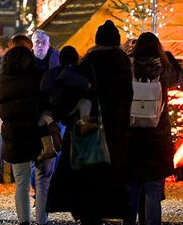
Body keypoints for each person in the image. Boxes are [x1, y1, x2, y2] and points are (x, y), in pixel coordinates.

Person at [47, 20, 133, 225]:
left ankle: (89, 216)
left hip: (90, 128)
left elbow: (71, 90)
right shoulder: (123, 62)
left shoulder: (90, 61)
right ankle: (110, 211)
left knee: (88, 179)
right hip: (117, 130)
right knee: (112, 175)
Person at [125, 32, 183, 225]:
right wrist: (166, 55)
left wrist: (125, 53)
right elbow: (180, 76)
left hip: (132, 137)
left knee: (131, 190)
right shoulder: (164, 68)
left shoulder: (129, 66)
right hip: (157, 138)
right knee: (152, 190)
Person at [0, 39, 49, 225]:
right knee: (42, 181)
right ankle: (42, 220)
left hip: (14, 133)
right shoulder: (38, 77)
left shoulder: (2, 79)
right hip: (38, 132)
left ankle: (23, 220)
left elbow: (2, 108)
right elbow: (47, 102)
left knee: (21, 181)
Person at [40, 46, 90, 123]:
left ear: (60, 59)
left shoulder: (49, 74)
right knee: (86, 102)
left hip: (53, 109)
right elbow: (84, 83)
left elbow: (43, 89)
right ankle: (84, 124)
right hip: (70, 107)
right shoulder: (76, 70)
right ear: (76, 57)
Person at [0, 35, 12, 183]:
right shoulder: (18, 64)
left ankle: (0, 172)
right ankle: (11, 172)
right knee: (10, 138)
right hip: (11, 104)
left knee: (0, 137)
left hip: (0, 104)